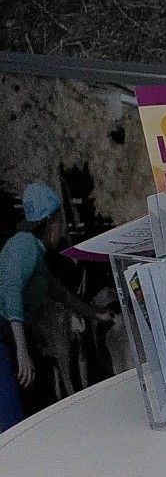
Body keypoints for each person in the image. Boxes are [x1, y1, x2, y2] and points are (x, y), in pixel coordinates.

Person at [1, 181, 112, 433]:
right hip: (2, 334)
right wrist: (22, 352)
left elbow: (61, 294)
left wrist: (96, 313)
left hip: (7, 335)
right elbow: (11, 293)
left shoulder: (35, 254)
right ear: (51, 221)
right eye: (61, 220)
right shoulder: (25, 246)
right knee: (9, 420)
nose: (63, 227)